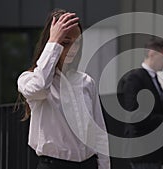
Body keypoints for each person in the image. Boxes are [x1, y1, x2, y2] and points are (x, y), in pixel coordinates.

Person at [17, 9, 110, 169]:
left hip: (88, 164)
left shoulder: (86, 81)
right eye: (66, 42)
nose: (73, 48)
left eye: (77, 42)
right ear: (50, 43)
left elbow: (99, 132)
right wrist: (53, 41)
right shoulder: (29, 79)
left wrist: (104, 166)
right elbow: (40, 88)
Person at [117, 38, 163, 169]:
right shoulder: (135, 79)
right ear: (152, 54)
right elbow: (133, 115)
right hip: (142, 151)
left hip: (154, 152)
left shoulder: (154, 80)